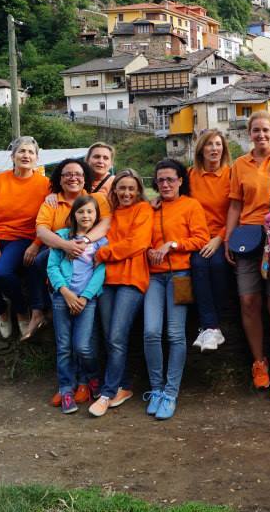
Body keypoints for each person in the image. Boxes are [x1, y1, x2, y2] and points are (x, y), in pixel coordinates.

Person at [226, 111, 270, 401]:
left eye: (266, 130)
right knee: (248, 300)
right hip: (247, 239)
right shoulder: (239, 165)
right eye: (256, 130)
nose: (261, 135)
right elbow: (234, 205)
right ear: (249, 134)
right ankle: (259, 362)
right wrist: (228, 239)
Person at [143, 158, 210, 420]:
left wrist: (172, 245)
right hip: (153, 277)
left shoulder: (190, 205)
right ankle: (156, 389)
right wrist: (148, 249)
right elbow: (141, 236)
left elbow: (201, 238)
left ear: (181, 180)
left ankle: (170, 392)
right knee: (150, 332)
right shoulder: (150, 207)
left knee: (175, 334)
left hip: (179, 275)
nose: (166, 184)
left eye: (171, 179)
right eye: (160, 180)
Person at [88, 169, 153, 418]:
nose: (126, 193)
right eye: (121, 188)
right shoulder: (110, 215)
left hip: (131, 280)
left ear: (138, 191)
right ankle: (124, 386)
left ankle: (107, 392)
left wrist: (103, 254)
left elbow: (136, 243)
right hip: (106, 280)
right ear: (114, 190)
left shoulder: (143, 210)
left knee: (116, 336)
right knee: (109, 337)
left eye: (130, 188)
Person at [0, 136, 49, 340]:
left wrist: (37, 243)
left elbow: (50, 219)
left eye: (31, 152)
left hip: (23, 238)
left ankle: (21, 310)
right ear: (12, 156)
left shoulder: (45, 185)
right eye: (21, 151)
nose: (26, 155)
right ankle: (1, 311)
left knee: (2, 273)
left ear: (37, 158)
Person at [31, 159, 111, 346]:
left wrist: (84, 241)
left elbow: (106, 223)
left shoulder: (97, 198)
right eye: (67, 174)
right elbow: (42, 231)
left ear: (85, 178)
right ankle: (44, 306)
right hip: (59, 250)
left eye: (78, 174)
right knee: (40, 261)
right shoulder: (52, 201)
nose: (73, 178)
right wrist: (66, 245)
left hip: (89, 255)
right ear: (60, 178)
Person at [46, 195, 107, 414]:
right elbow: (52, 267)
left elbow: (101, 271)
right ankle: (66, 389)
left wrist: (85, 296)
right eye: (81, 212)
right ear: (73, 215)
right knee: (64, 347)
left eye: (90, 212)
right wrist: (65, 292)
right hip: (62, 298)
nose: (85, 216)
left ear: (96, 216)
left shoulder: (101, 242)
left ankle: (91, 378)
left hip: (86, 300)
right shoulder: (62, 237)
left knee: (83, 346)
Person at [187, 130, 233, 352]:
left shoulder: (231, 175)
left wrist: (219, 239)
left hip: (221, 235)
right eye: (209, 145)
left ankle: (213, 325)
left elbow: (237, 211)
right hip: (196, 237)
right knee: (197, 264)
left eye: (218, 144)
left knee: (217, 264)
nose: (214, 149)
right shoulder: (190, 175)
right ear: (201, 149)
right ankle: (210, 327)